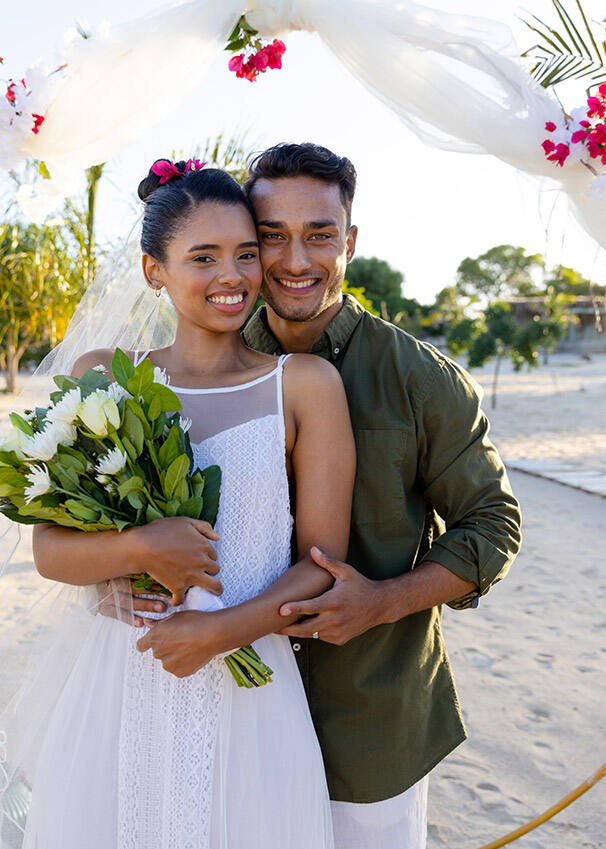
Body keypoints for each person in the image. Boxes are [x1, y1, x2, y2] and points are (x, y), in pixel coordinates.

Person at [123, 142, 521, 847]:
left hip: (367, 719)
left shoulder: (421, 378)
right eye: (271, 237)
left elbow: (493, 524)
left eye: (320, 235)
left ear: (352, 240)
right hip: (225, 710)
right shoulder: (207, 358)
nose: (294, 260)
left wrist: (383, 598)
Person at [20, 162, 356, 848]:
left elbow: (323, 563)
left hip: (251, 695)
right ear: (154, 270)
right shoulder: (101, 374)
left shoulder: (305, 386)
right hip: (120, 676)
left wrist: (224, 629)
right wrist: (140, 548)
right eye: (203, 257)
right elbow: (50, 551)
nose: (231, 275)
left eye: (243, 253)